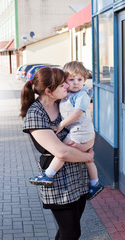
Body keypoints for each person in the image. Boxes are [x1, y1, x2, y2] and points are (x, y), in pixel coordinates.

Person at [21, 66, 94, 240]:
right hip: (58, 181)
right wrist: (88, 156)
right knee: (71, 233)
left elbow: (85, 129)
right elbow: (61, 152)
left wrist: (88, 143)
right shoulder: (35, 114)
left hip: (78, 176)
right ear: (48, 90)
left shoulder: (63, 104)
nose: (67, 87)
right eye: (62, 85)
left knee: (66, 231)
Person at [29, 61, 104, 201]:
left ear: (85, 80)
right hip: (80, 132)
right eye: (70, 80)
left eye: (80, 79)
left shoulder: (81, 95)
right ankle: (95, 184)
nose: (75, 83)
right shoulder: (65, 96)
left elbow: (77, 114)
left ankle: (49, 174)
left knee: (63, 149)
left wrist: (61, 125)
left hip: (80, 131)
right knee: (88, 159)